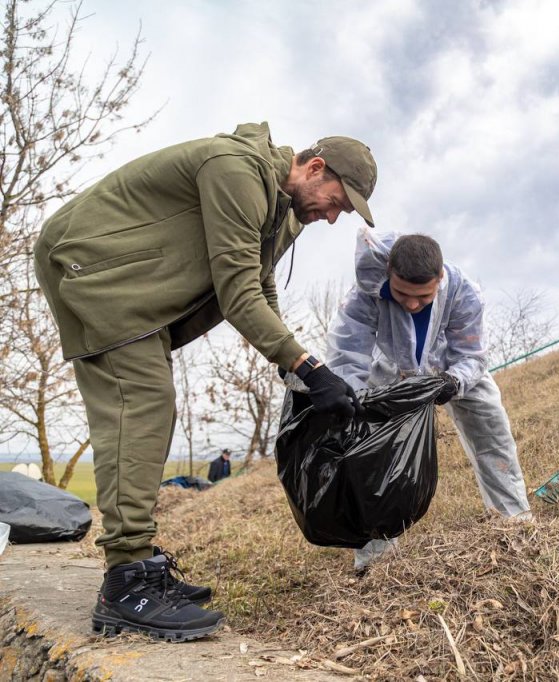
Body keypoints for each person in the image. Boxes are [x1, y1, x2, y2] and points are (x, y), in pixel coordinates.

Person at [32, 122, 375, 641]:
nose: (331, 216)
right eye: (336, 201)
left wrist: (292, 366)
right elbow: (236, 291)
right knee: (142, 404)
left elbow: (259, 285)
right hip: (97, 273)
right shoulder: (236, 170)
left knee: (153, 409)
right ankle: (125, 583)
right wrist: (311, 367)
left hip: (136, 294)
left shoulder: (282, 214)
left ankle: (139, 566)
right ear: (315, 168)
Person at [326, 231, 531, 569]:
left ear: (440, 279)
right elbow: (347, 354)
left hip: (453, 369)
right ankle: (375, 559)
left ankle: (515, 523)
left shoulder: (464, 292)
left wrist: (454, 381)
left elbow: (472, 353)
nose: (411, 303)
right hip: (391, 374)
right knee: (376, 457)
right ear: (389, 272)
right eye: (402, 293)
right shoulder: (365, 294)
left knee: (493, 434)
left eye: (423, 296)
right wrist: (353, 399)